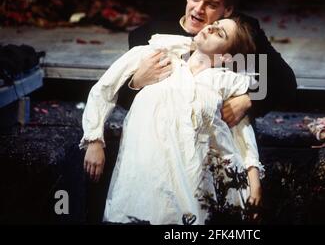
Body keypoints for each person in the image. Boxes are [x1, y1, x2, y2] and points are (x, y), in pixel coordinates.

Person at [82, 17, 264, 224]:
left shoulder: (224, 82)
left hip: (195, 185)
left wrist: (254, 182)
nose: (211, 27)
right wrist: (94, 140)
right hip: (145, 178)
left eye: (220, 33)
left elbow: (242, 135)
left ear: (225, 57)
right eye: (215, 24)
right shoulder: (156, 56)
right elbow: (104, 89)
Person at [118, 0, 297, 126]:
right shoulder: (147, 34)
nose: (198, 9)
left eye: (211, 4)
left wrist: (249, 100)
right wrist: (137, 82)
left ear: (227, 10)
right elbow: (121, 98)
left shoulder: (241, 32)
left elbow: (285, 81)